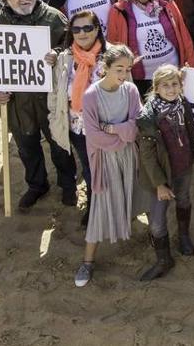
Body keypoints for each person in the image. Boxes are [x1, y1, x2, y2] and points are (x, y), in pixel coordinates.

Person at [0, 0, 77, 211]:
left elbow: (70, 46)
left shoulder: (54, 18)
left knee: (59, 143)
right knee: (26, 145)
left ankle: (68, 184)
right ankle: (37, 185)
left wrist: (57, 54)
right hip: (17, 101)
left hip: (50, 98)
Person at [71, 45, 148, 287]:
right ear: (106, 67)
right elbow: (94, 137)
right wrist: (124, 135)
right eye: (118, 69)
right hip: (105, 162)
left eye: (127, 69)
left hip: (130, 157)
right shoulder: (91, 95)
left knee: (142, 196)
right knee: (100, 208)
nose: (123, 74)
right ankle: (88, 261)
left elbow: (138, 126)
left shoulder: (132, 90)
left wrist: (116, 129)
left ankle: (157, 241)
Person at [135, 65, 194, 281]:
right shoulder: (148, 116)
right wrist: (160, 185)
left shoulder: (182, 104)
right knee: (156, 219)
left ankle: (183, 235)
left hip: (183, 166)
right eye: (165, 85)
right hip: (161, 176)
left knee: (183, 199)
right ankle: (164, 259)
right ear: (156, 88)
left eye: (175, 84)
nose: (171, 89)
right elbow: (147, 156)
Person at [48, 9, 106, 229]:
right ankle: (94, 206)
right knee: (90, 169)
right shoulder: (64, 59)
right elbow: (55, 94)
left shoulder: (111, 58)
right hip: (77, 126)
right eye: (77, 29)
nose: (82, 33)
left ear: (97, 29)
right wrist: (55, 120)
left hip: (104, 128)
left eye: (88, 28)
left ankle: (104, 206)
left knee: (103, 169)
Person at [106, 0, 194, 94]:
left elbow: (183, 34)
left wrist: (190, 65)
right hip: (140, 78)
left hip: (171, 73)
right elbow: (113, 44)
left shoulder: (166, 3)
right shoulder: (119, 10)